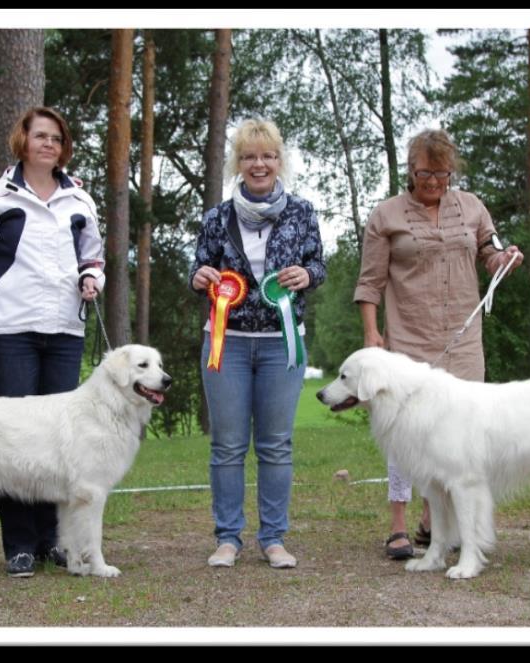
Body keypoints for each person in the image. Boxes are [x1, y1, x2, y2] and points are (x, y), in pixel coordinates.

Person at [353, 128, 524, 560]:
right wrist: (373, 335)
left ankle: (443, 525)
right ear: (411, 170)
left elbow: (490, 250)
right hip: (409, 339)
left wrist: (503, 259)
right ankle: (398, 525)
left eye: (443, 174)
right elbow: (370, 282)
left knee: (462, 436)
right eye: (426, 173)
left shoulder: (472, 208)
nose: (434, 182)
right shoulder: (386, 215)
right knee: (404, 433)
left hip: (463, 340)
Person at [0, 107, 105, 578]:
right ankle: (19, 544)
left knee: (60, 444)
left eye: (57, 138)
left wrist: (91, 278)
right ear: (22, 140)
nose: (49, 144)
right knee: (14, 442)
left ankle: (55, 542)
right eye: (40, 136)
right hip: (9, 330)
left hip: (65, 330)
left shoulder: (79, 198)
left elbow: (93, 258)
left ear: (64, 147)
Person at [190, 118, 326, 569]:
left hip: (280, 345)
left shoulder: (303, 212)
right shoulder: (217, 218)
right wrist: (201, 277)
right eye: (249, 156)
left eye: (267, 156)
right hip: (225, 343)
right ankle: (227, 539)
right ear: (238, 164)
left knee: (276, 445)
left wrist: (307, 275)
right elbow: (199, 270)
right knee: (227, 445)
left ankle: (273, 539)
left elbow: (317, 266)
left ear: (279, 161)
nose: (259, 164)